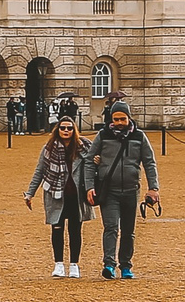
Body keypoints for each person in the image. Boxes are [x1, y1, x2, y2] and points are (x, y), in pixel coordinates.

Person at [83, 99, 160, 280]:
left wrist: (153, 188)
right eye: (116, 119)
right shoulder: (103, 136)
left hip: (131, 190)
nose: (119, 123)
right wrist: (89, 186)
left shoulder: (139, 137)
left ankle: (126, 265)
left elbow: (149, 162)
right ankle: (109, 264)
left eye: (122, 119)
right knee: (110, 227)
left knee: (128, 230)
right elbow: (89, 161)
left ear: (128, 118)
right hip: (109, 190)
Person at [25, 114, 93, 278]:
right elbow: (39, 172)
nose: (66, 131)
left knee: (75, 230)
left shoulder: (83, 148)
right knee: (57, 229)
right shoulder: (48, 148)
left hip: (77, 194)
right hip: (55, 193)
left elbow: (94, 167)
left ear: (74, 130)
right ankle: (59, 264)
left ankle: (74, 265)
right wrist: (30, 193)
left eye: (69, 128)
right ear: (58, 129)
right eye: (63, 128)